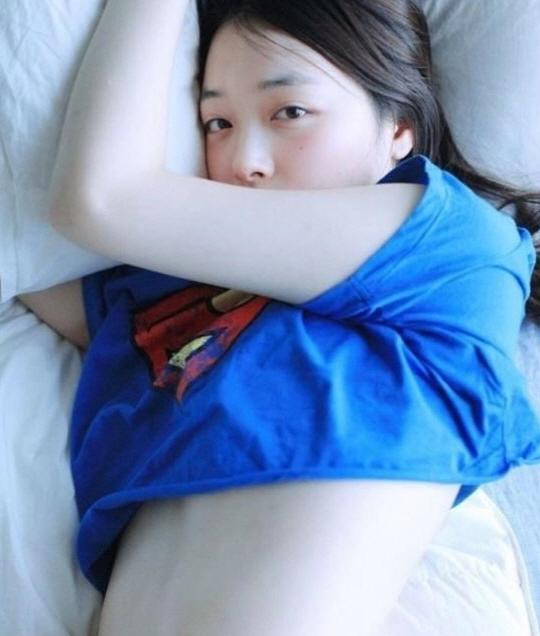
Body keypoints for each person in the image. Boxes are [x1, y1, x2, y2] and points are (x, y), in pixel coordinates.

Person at [18, 0, 540, 634]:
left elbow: (102, 199)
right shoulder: (172, 293)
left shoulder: (453, 248)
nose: (245, 161)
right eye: (217, 122)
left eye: (290, 112)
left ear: (399, 127)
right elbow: (26, 271)